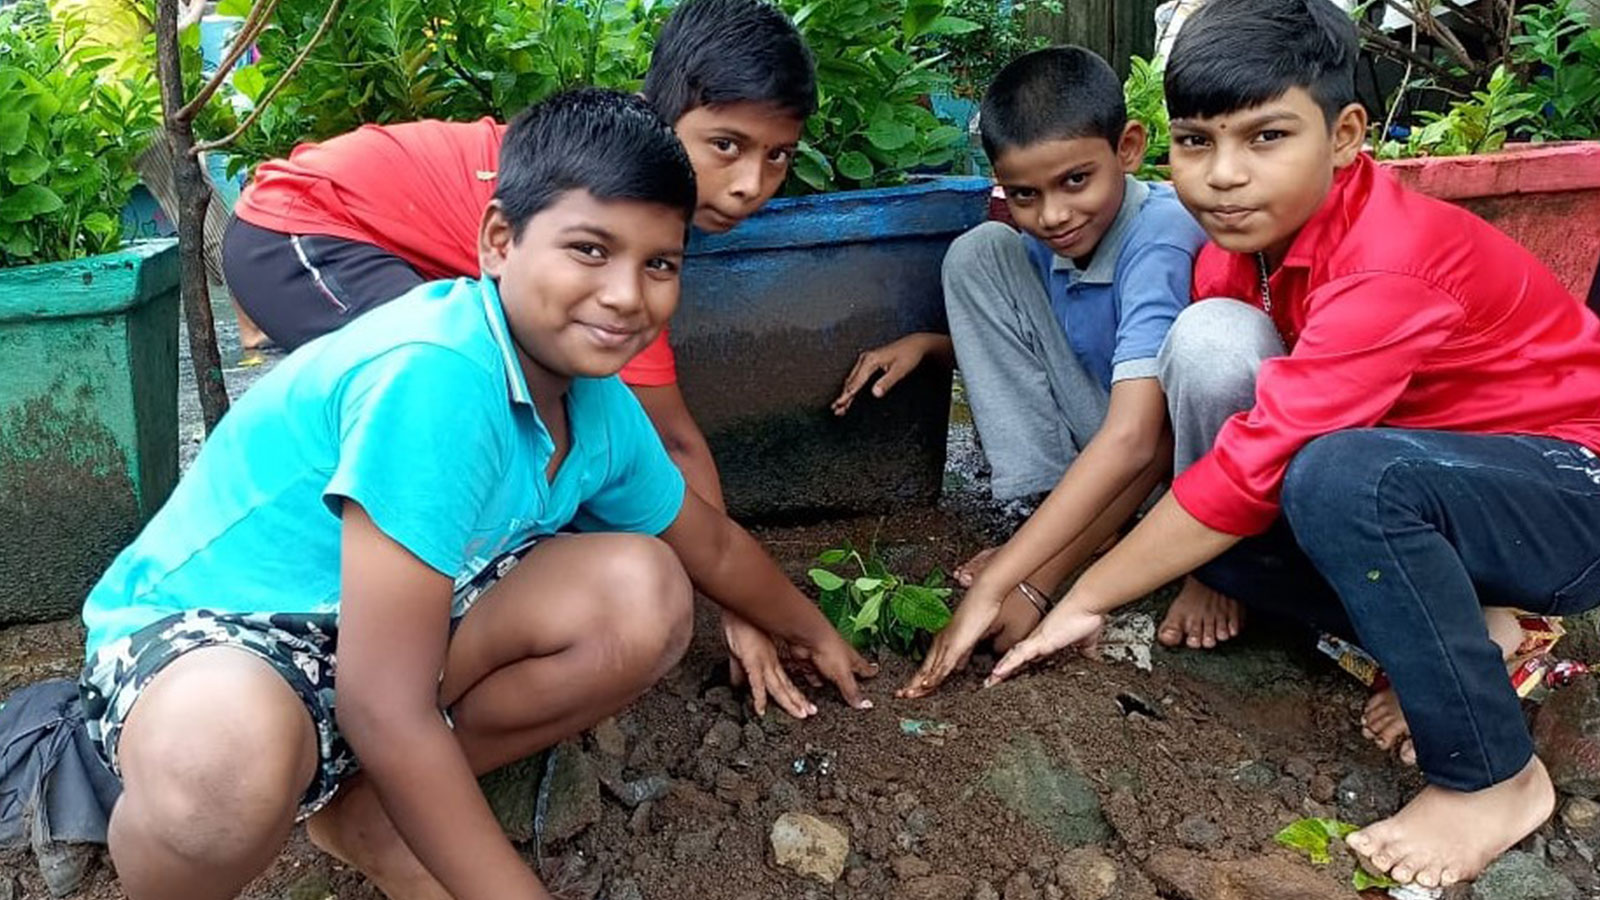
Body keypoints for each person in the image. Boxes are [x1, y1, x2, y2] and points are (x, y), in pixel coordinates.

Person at [79, 89, 875, 900]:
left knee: (645, 591)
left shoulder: (597, 405)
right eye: (590, 250)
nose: (627, 295)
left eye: (659, 263)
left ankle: (374, 815)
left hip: (394, 638)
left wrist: (815, 635)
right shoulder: (438, 370)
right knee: (219, 771)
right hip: (226, 637)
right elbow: (383, 704)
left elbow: (709, 545)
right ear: (499, 241)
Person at [913, 0, 1600, 888]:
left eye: (1266, 137)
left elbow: (1261, 461)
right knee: (1210, 536)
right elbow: (1191, 468)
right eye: (1197, 142)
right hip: (1436, 495)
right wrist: (1033, 580)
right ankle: (1478, 630)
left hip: (1563, 484)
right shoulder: (1241, 254)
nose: (1223, 177)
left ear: (1347, 133)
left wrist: (1078, 599)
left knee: (1331, 480)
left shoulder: (1390, 257)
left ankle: (1493, 778)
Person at [222, 0, 815, 710]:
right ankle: (380, 680)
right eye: (726, 145)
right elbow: (674, 441)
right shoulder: (607, 188)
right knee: (442, 400)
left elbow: (659, 446)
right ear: (666, 113)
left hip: (372, 242)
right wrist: (741, 613)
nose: (752, 184)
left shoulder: (627, 204)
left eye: (776, 155)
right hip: (305, 230)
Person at [832, 47, 1205, 669]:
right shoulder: (1055, 235)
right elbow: (1050, 348)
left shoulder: (1160, 238)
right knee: (980, 250)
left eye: (1075, 181)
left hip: (1176, 465)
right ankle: (1045, 506)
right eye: (1025, 193)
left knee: (1142, 429)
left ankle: (1084, 536)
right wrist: (929, 349)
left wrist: (1021, 579)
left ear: (1129, 148)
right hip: (1117, 428)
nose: (1053, 214)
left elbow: (1144, 438)